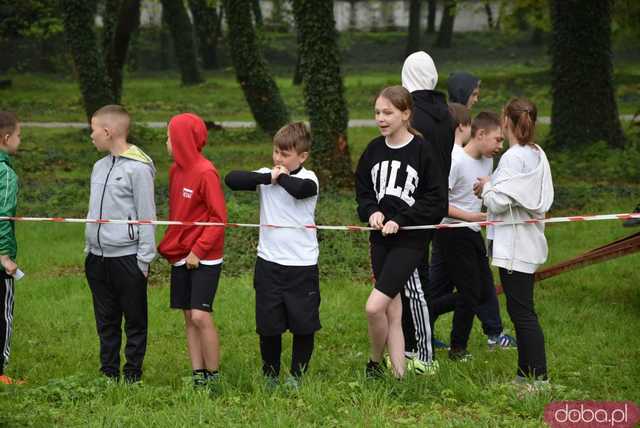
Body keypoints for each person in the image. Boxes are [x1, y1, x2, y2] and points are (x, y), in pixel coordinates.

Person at [356, 86, 447, 378]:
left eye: (388, 112)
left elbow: (436, 201)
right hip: (379, 240)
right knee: (393, 311)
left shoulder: (423, 151)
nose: (381, 118)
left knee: (374, 307)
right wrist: (372, 211)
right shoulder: (373, 150)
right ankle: (398, 375)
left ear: (406, 114)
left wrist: (402, 219)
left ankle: (373, 362)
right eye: (377, 113)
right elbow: (363, 191)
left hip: (409, 241)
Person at [225, 122, 320, 390]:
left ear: (302, 157)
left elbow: (302, 191)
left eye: (285, 154)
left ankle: (296, 376)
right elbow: (232, 179)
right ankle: (270, 374)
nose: (278, 159)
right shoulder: (268, 175)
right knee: (269, 325)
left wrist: (280, 178)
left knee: (303, 325)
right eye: (276, 152)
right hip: (268, 263)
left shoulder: (309, 178)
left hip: (301, 265)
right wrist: (268, 177)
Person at [474, 98, 553, 387]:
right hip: (526, 242)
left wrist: (485, 187)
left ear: (506, 120)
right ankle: (524, 376)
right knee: (521, 310)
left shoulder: (513, 157)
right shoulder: (536, 153)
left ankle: (539, 378)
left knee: (522, 313)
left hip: (515, 246)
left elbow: (497, 202)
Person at [429, 109, 517, 353]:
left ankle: (424, 322)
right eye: (497, 139)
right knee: (471, 292)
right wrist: (472, 216)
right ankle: (458, 348)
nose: (500, 145)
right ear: (480, 134)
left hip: (472, 231)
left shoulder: (488, 160)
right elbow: (438, 204)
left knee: (464, 289)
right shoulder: (455, 161)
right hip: (452, 232)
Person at [84, 105, 156, 383]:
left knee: (135, 320)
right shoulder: (98, 167)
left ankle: (132, 374)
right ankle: (109, 372)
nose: (91, 135)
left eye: (93, 129)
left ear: (107, 131)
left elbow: (147, 216)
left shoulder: (139, 169)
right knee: (106, 319)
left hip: (127, 258)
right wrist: (89, 248)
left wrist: (143, 259)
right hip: (96, 257)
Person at [158, 113, 227, 389]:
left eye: (169, 137)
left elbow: (218, 218)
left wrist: (198, 250)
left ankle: (214, 376)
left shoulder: (206, 172)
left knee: (200, 314)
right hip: (180, 255)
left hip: (204, 256)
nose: (166, 142)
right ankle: (198, 375)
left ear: (182, 140)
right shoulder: (175, 170)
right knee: (188, 316)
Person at [400, 51, 454, 372]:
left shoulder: (412, 116)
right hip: (436, 205)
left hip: (412, 206)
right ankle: (416, 338)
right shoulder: (446, 114)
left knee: (412, 278)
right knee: (418, 273)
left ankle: (415, 344)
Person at [0, 111, 22, 385]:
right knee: (3, 314)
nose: (20, 140)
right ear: (6, 138)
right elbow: (3, 216)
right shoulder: (5, 174)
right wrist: (4, 256)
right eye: (18, 136)